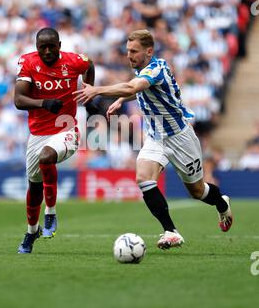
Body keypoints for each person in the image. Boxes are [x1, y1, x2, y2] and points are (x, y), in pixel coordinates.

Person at [74, 29, 233, 249]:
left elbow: (134, 85)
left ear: (149, 51)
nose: (129, 55)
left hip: (180, 138)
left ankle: (222, 203)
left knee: (198, 191)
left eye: (134, 51)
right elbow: (136, 89)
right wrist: (121, 99)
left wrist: (97, 90)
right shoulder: (145, 70)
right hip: (156, 137)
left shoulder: (156, 69)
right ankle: (171, 231)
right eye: (128, 50)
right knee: (143, 177)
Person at [14, 27, 95, 253]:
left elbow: (89, 64)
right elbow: (19, 99)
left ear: (59, 45)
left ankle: (51, 213)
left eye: (52, 46)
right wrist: (44, 103)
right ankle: (31, 232)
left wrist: (88, 90)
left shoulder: (73, 61)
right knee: (33, 186)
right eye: (42, 47)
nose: (47, 51)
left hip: (66, 129)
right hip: (38, 133)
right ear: (36, 47)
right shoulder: (28, 63)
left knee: (47, 157)